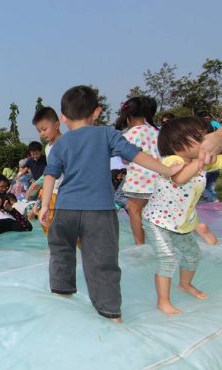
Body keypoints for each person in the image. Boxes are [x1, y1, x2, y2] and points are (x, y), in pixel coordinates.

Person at [39, 85, 182, 323]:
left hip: (65, 210)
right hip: (99, 212)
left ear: (62, 118)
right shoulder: (107, 134)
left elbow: (50, 176)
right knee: (102, 261)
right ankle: (110, 312)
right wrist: (166, 170)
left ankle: (62, 292)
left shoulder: (60, 144)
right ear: (97, 112)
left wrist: (45, 206)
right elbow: (136, 154)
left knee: (62, 252)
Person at [142, 117, 221, 315]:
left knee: (193, 254)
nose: (205, 142)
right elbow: (179, 178)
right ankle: (163, 301)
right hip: (157, 221)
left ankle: (185, 285)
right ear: (178, 143)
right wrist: (201, 162)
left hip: (181, 223)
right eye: (199, 137)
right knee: (167, 258)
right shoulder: (172, 161)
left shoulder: (199, 162)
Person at [115, 96, 160, 245]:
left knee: (133, 210)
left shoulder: (129, 135)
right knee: (154, 214)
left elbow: (126, 159)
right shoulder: (156, 131)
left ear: (128, 116)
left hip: (139, 180)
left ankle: (140, 245)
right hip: (159, 179)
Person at [28, 107, 63, 233]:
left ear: (57, 125)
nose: (42, 133)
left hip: (62, 192)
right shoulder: (48, 147)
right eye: (39, 131)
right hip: (50, 192)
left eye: (44, 129)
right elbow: (49, 173)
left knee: (61, 228)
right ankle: (52, 249)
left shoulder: (66, 143)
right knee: (48, 226)